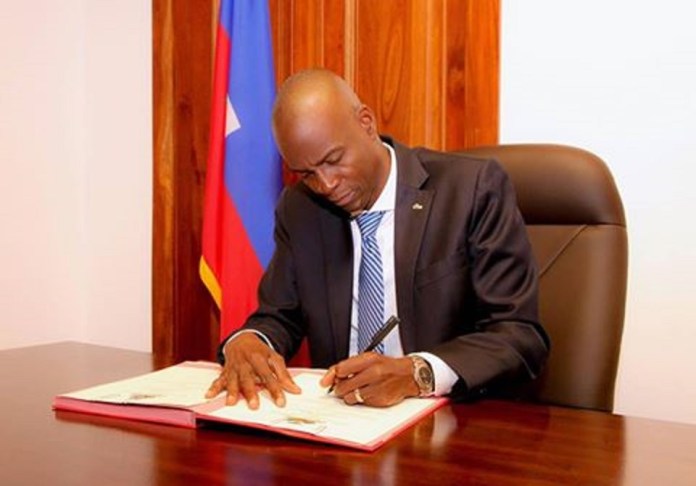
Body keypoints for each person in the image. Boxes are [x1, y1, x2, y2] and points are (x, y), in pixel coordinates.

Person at [206, 69, 549, 409]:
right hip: (341, 420)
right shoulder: (301, 208)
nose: (326, 185)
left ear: (366, 123)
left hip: (451, 419)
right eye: (307, 174)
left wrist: (417, 373)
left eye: (333, 160)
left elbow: (517, 334)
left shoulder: (469, 190)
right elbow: (279, 314)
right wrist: (250, 340)